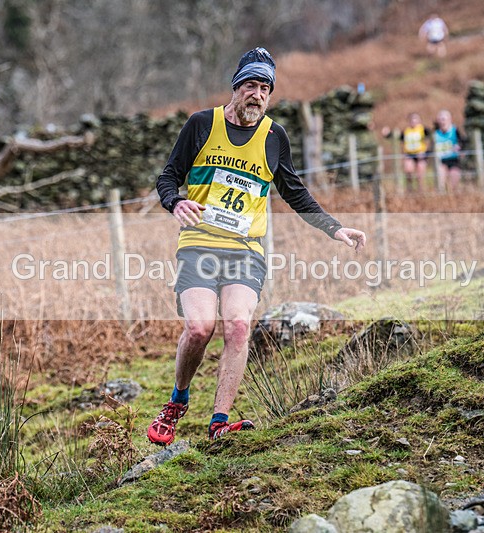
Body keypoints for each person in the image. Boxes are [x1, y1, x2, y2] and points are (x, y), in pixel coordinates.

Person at [151, 47, 366, 445]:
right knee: (200, 328)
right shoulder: (201, 124)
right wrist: (176, 201)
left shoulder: (274, 137)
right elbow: (168, 177)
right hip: (199, 244)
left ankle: (219, 423)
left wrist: (335, 229)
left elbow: (295, 193)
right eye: (251, 84)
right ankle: (178, 400)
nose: (258, 94)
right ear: (236, 88)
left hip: (245, 250)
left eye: (265, 88)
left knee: (236, 326)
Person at [382, 113, 429, 192]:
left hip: (420, 155)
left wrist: (425, 152)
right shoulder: (406, 131)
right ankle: (409, 189)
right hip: (409, 154)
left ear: (419, 121)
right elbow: (397, 137)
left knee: (420, 173)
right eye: (412, 120)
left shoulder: (423, 130)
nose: (413, 121)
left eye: (415, 119)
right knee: (408, 169)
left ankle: (421, 190)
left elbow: (431, 139)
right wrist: (387, 134)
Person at [432, 109, 465, 192]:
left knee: (454, 181)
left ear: (449, 120)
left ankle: (454, 197)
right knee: (440, 180)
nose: (442, 122)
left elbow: (464, 143)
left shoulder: (455, 131)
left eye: (444, 119)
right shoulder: (435, 133)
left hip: (454, 160)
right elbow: (430, 148)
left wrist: (460, 148)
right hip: (441, 161)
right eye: (440, 120)